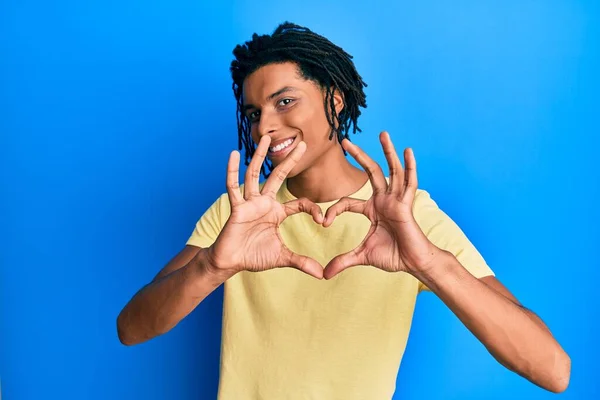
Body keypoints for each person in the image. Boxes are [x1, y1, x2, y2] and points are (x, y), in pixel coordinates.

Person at [116, 22, 570, 398]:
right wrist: (211, 267)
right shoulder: (241, 212)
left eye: (285, 101)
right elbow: (132, 328)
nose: (265, 127)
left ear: (335, 99)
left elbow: (553, 370)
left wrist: (427, 263)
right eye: (254, 113)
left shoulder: (406, 215)